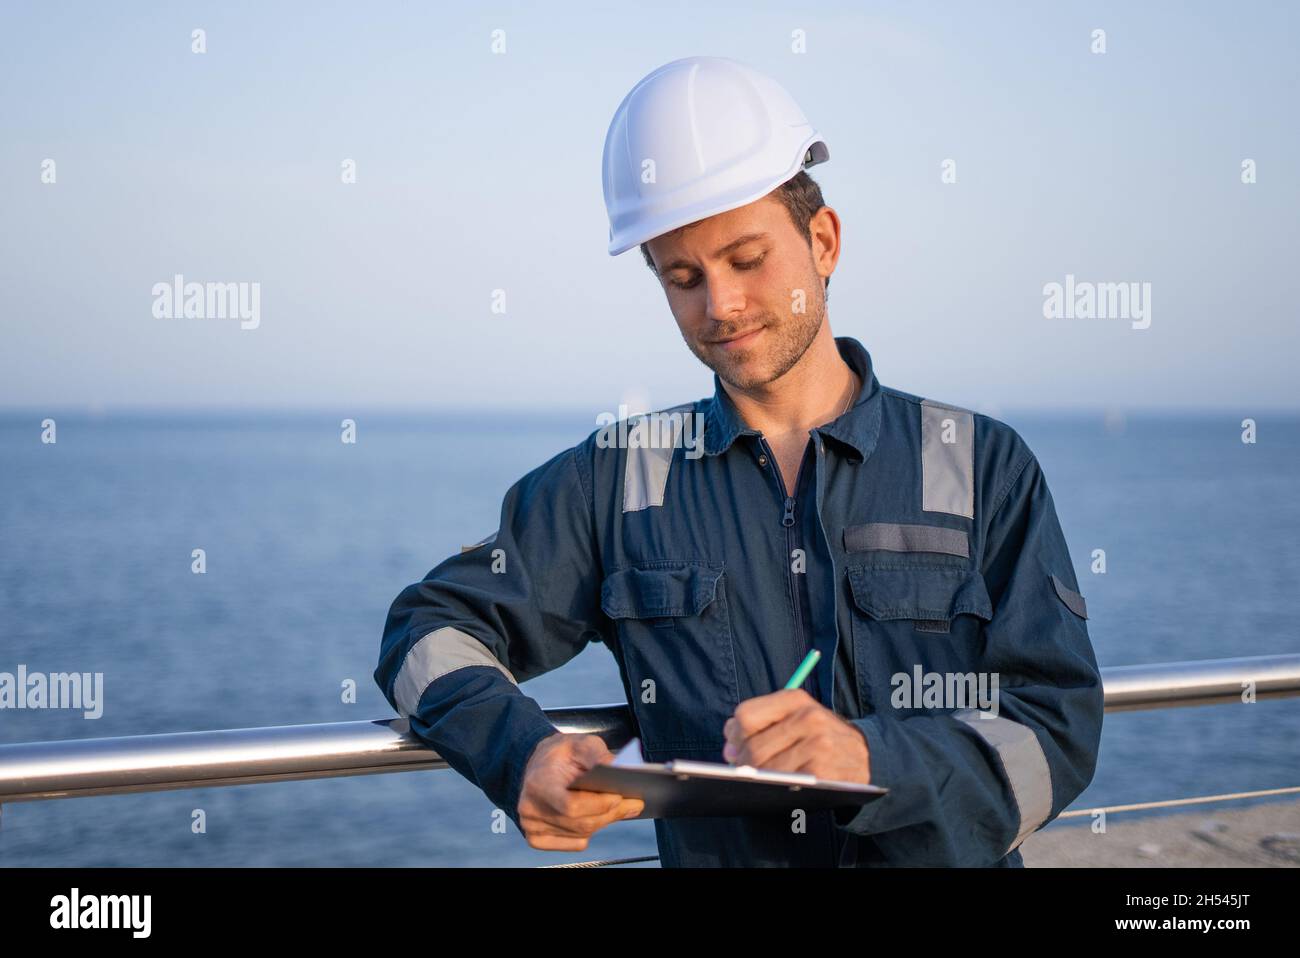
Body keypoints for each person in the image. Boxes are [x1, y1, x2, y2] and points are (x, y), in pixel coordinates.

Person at [374, 55, 1103, 866]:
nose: (718, 305)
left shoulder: (978, 463)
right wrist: (521, 755)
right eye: (683, 277)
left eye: (747, 260)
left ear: (822, 241)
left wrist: (874, 760)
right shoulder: (617, 478)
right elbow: (426, 633)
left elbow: (1056, 730)